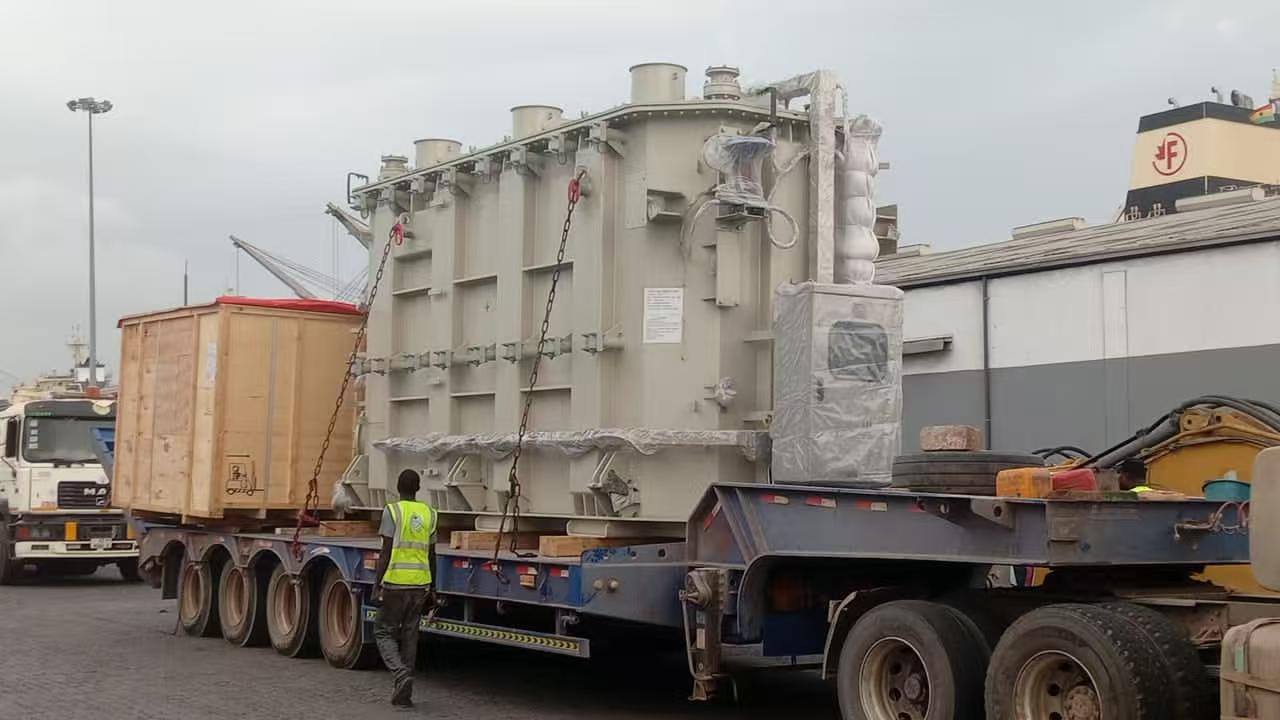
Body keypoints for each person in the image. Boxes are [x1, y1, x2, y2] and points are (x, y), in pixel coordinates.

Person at [374, 469, 436, 707]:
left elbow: (386, 551)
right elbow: (432, 555)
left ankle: (400, 675)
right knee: (410, 635)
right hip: (420, 584)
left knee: (383, 631)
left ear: (397, 488)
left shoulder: (392, 511)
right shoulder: (429, 513)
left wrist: (376, 584)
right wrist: (434, 588)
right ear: (418, 488)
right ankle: (405, 690)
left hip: (395, 583)